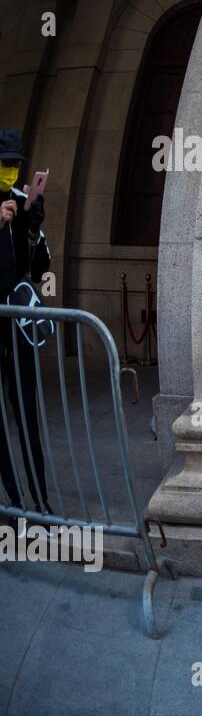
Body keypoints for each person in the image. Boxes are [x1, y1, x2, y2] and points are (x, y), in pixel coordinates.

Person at [0, 129, 50, 515]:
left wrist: (32, 227)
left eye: (16, 165)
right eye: (5, 164)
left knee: (28, 414)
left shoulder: (21, 199)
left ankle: (40, 501)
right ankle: (12, 501)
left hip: (17, 330)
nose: (11, 172)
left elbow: (38, 267)